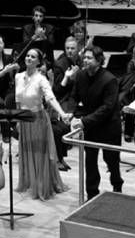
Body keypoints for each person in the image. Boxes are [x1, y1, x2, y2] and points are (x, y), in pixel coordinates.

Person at [15, 48, 70, 201]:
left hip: (38, 119)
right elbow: (18, 101)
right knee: (27, 152)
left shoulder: (41, 79)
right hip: (24, 119)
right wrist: (18, 120)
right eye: (27, 56)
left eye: (33, 57)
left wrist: (62, 113)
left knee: (39, 154)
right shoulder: (18, 76)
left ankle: (41, 185)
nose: (29, 58)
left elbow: (50, 99)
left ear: (39, 62)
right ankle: (30, 183)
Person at [69, 46, 123, 200]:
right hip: (91, 126)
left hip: (108, 126)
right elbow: (74, 96)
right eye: (84, 57)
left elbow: (107, 108)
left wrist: (84, 121)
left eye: (89, 58)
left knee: (111, 160)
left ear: (99, 61)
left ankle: (117, 185)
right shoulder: (80, 75)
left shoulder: (109, 79)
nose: (85, 60)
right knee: (90, 161)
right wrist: (70, 112)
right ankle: (92, 194)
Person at [51, 36, 81, 171]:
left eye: (72, 48)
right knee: (63, 124)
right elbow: (57, 90)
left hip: (80, 96)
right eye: (67, 48)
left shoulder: (81, 61)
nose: (70, 51)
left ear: (78, 49)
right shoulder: (60, 64)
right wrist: (67, 78)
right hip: (65, 97)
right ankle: (60, 157)